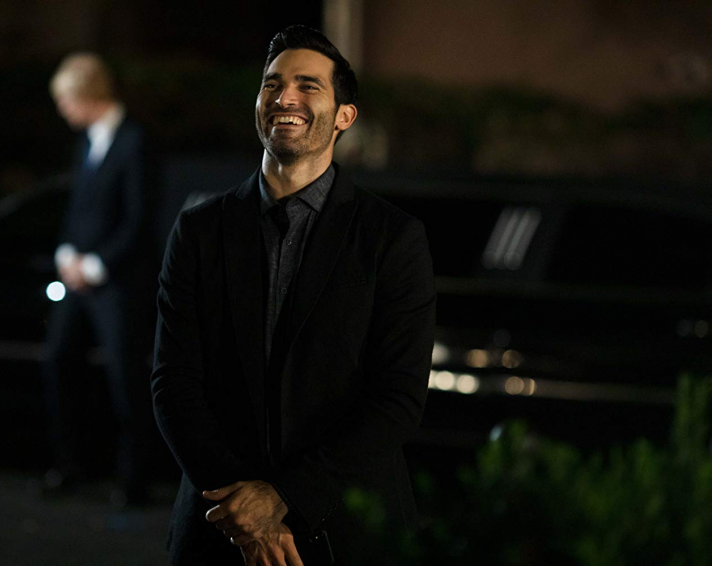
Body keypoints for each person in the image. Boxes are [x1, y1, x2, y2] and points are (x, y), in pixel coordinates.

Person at [152, 26, 436, 565]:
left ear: (344, 116)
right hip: (218, 529)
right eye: (272, 84)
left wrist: (283, 497)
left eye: (308, 85)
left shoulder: (391, 238)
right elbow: (173, 383)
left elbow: (396, 399)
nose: (285, 97)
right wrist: (245, 514)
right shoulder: (199, 231)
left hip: (346, 530)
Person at [42, 52, 159, 507]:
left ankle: (134, 478)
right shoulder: (86, 141)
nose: (61, 109)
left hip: (118, 282)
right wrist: (65, 253)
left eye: (65, 99)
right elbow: (78, 208)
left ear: (87, 95)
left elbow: (139, 220)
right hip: (78, 278)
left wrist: (94, 265)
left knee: (125, 377)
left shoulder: (135, 141)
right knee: (58, 359)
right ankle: (71, 466)